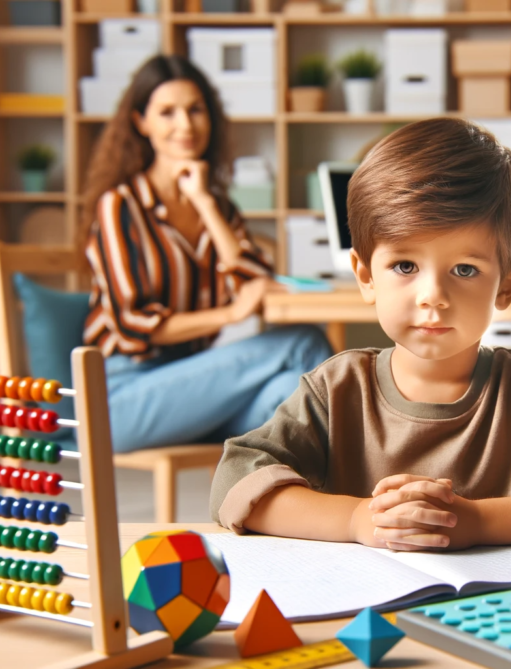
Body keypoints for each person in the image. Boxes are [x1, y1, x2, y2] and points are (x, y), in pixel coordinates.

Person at [210, 118, 511, 550]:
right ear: (366, 276)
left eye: (465, 270)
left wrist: (475, 522)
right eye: (405, 266)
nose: (433, 296)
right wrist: (358, 520)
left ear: (506, 286)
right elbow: (234, 478)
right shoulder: (335, 390)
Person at [82, 55, 333, 453]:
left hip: (198, 395)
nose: (185, 124)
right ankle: (349, 485)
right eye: (167, 112)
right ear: (140, 122)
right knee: (303, 344)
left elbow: (256, 286)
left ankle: (286, 499)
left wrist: (203, 202)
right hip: (123, 399)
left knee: (296, 390)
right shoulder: (120, 206)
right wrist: (230, 315)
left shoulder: (218, 208)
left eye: (195, 110)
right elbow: (133, 326)